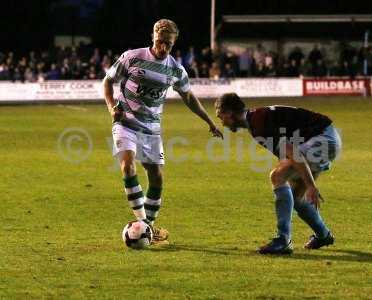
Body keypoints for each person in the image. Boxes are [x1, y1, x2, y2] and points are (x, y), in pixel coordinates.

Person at [103, 19, 223, 244]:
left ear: (173, 43)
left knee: (156, 179)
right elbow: (108, 81)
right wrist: (111, 108)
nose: (163, 47)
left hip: (152, 129)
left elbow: (188, 97)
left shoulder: (176, 69)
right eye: (160, 41)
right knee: (127, 167)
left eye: (168, 44)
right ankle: (145, 226)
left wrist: (209, 121)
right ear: (153, 37)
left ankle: (148, 227)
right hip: (125, 122)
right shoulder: (132, 57)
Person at [215, 93, 341, 255]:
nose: (222, 122)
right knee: (295, 197)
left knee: (277, 176)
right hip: (323, 137)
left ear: (229, 113)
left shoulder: (258, 123)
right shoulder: (256, 119)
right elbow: (289, 154)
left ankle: (283, 240)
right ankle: (323, 235)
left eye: (220, 117)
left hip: (322, 139)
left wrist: (311, 185)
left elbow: (292, 153)